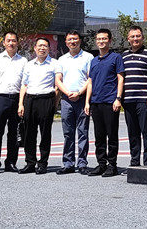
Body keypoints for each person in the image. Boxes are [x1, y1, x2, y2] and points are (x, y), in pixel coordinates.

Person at [17, 37, 61, 175]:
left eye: (45, 46)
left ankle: (43, 163)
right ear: (35, 48)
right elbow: (24, 85)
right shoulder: (29, 65)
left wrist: (54, 104)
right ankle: (30, 163)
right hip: (30, 100)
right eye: (39, 46)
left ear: (49, 48)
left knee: (45, 133)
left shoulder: (55, 64)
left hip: (46, 99)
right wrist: (21, 104)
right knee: (29, 133)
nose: (42, 48)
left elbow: (57, 86)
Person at [85, 28, 124, 177]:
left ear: (110, 40)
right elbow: (90, 82)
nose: (101, 41)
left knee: (111, 135)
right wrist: (87, 102)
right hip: (96, 102)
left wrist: (118, 98)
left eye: (104, 39)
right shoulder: (94, 61)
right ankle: (101, 164)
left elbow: (120, 78)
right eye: (99, 39)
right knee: (99, 136)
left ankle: (112, 165)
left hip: (110, 102)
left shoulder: (116, 58)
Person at [0, 31, 26, 174]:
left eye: (14, 40)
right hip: (0, 99)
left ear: (17, 43)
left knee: (14, 133)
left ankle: (10, 162)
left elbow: (24, 83)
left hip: (16, 99)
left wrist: (21, 103)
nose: (11, 43)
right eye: (8, 40)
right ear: (3, 43)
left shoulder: (23, 61)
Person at [55, 30, 93, 175]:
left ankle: (82, 163)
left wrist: (79, 93)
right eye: (70, 39)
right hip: (66, 100)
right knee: (68, 133)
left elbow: (90, 79)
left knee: (83, 132)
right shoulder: (61, 59)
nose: (73, 42)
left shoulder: (88, 57)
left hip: (82, 99)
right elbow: (58, 80)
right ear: (66, 42)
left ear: (80, 41)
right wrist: (67, 93)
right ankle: (68, 163)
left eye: (75, 39)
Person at [121, 25, 147, 167]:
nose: (135, 39)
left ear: (142, 37)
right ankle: (135, 161)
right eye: (132, 36)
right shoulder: (123, 56)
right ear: (128, 39)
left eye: (138, 36)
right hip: (128, 100)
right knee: (133, 133)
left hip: (144, 100)